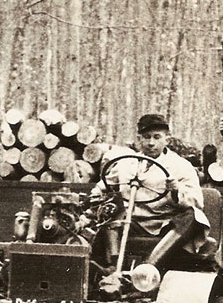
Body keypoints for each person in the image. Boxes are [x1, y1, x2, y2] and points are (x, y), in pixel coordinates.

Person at [90, 114, 213, 271]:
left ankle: (148, 267)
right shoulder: (126, 162)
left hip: (165, 224)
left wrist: (176, 190)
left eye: (157, 137)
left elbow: (197, 201)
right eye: (146, 137)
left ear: (166, 139)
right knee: (108, 208)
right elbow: (106, 184)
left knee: (194, 216)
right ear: (139, 139)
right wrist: (95, 193)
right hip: (132, 221)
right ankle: (112, 266)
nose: (151, 143)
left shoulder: (181, 165)